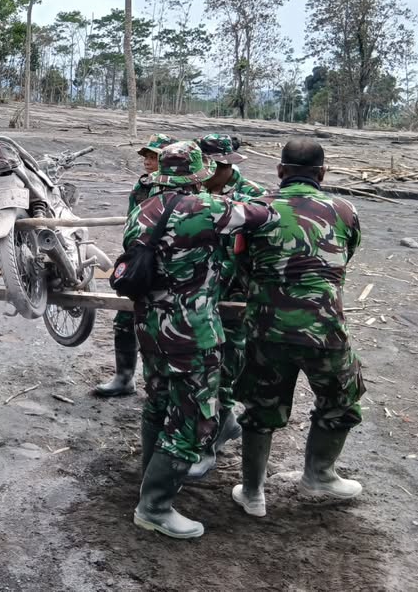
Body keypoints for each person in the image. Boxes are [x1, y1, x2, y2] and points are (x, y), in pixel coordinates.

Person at [123, 141, 278, 539]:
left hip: (150, 328)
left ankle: (147, 481)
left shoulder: (144, 209)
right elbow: (265, 216)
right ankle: (154, 506)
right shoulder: (207, 208)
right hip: (192, 331)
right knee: (195, 418)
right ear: (200, 173)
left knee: (157, 402)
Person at [231, 138, 366, 518]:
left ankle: (254, 492)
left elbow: (241, 264)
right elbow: (343, 259)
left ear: (279, 171)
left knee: (260, 410)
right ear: (323, 173)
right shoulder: (344, 210)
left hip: (265, 329)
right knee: (340, 402)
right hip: (325, 330)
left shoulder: (255, 209)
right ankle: (319, 474)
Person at [187, 133, 269, 478]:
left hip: (234, 298)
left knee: (223, 373)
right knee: (198, 372)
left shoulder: (253, 197)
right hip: (198, 296)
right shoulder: (193, 190)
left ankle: (208, 446)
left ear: (221, 164)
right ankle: (220, 426)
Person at [94, 133, 177, 397]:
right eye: (147, 156)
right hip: (142, 262)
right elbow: (132, 224)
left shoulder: (184, 189)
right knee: (124, 318)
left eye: (155, 156)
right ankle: (124, 377)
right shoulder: (141, 187)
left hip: (171, 268)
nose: (148, 161)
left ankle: (168, 386)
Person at [199, 133, 266, 201]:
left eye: (204, 166)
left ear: (226, 165)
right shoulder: (196, 187)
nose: (197, 172)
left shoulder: (254, 193)